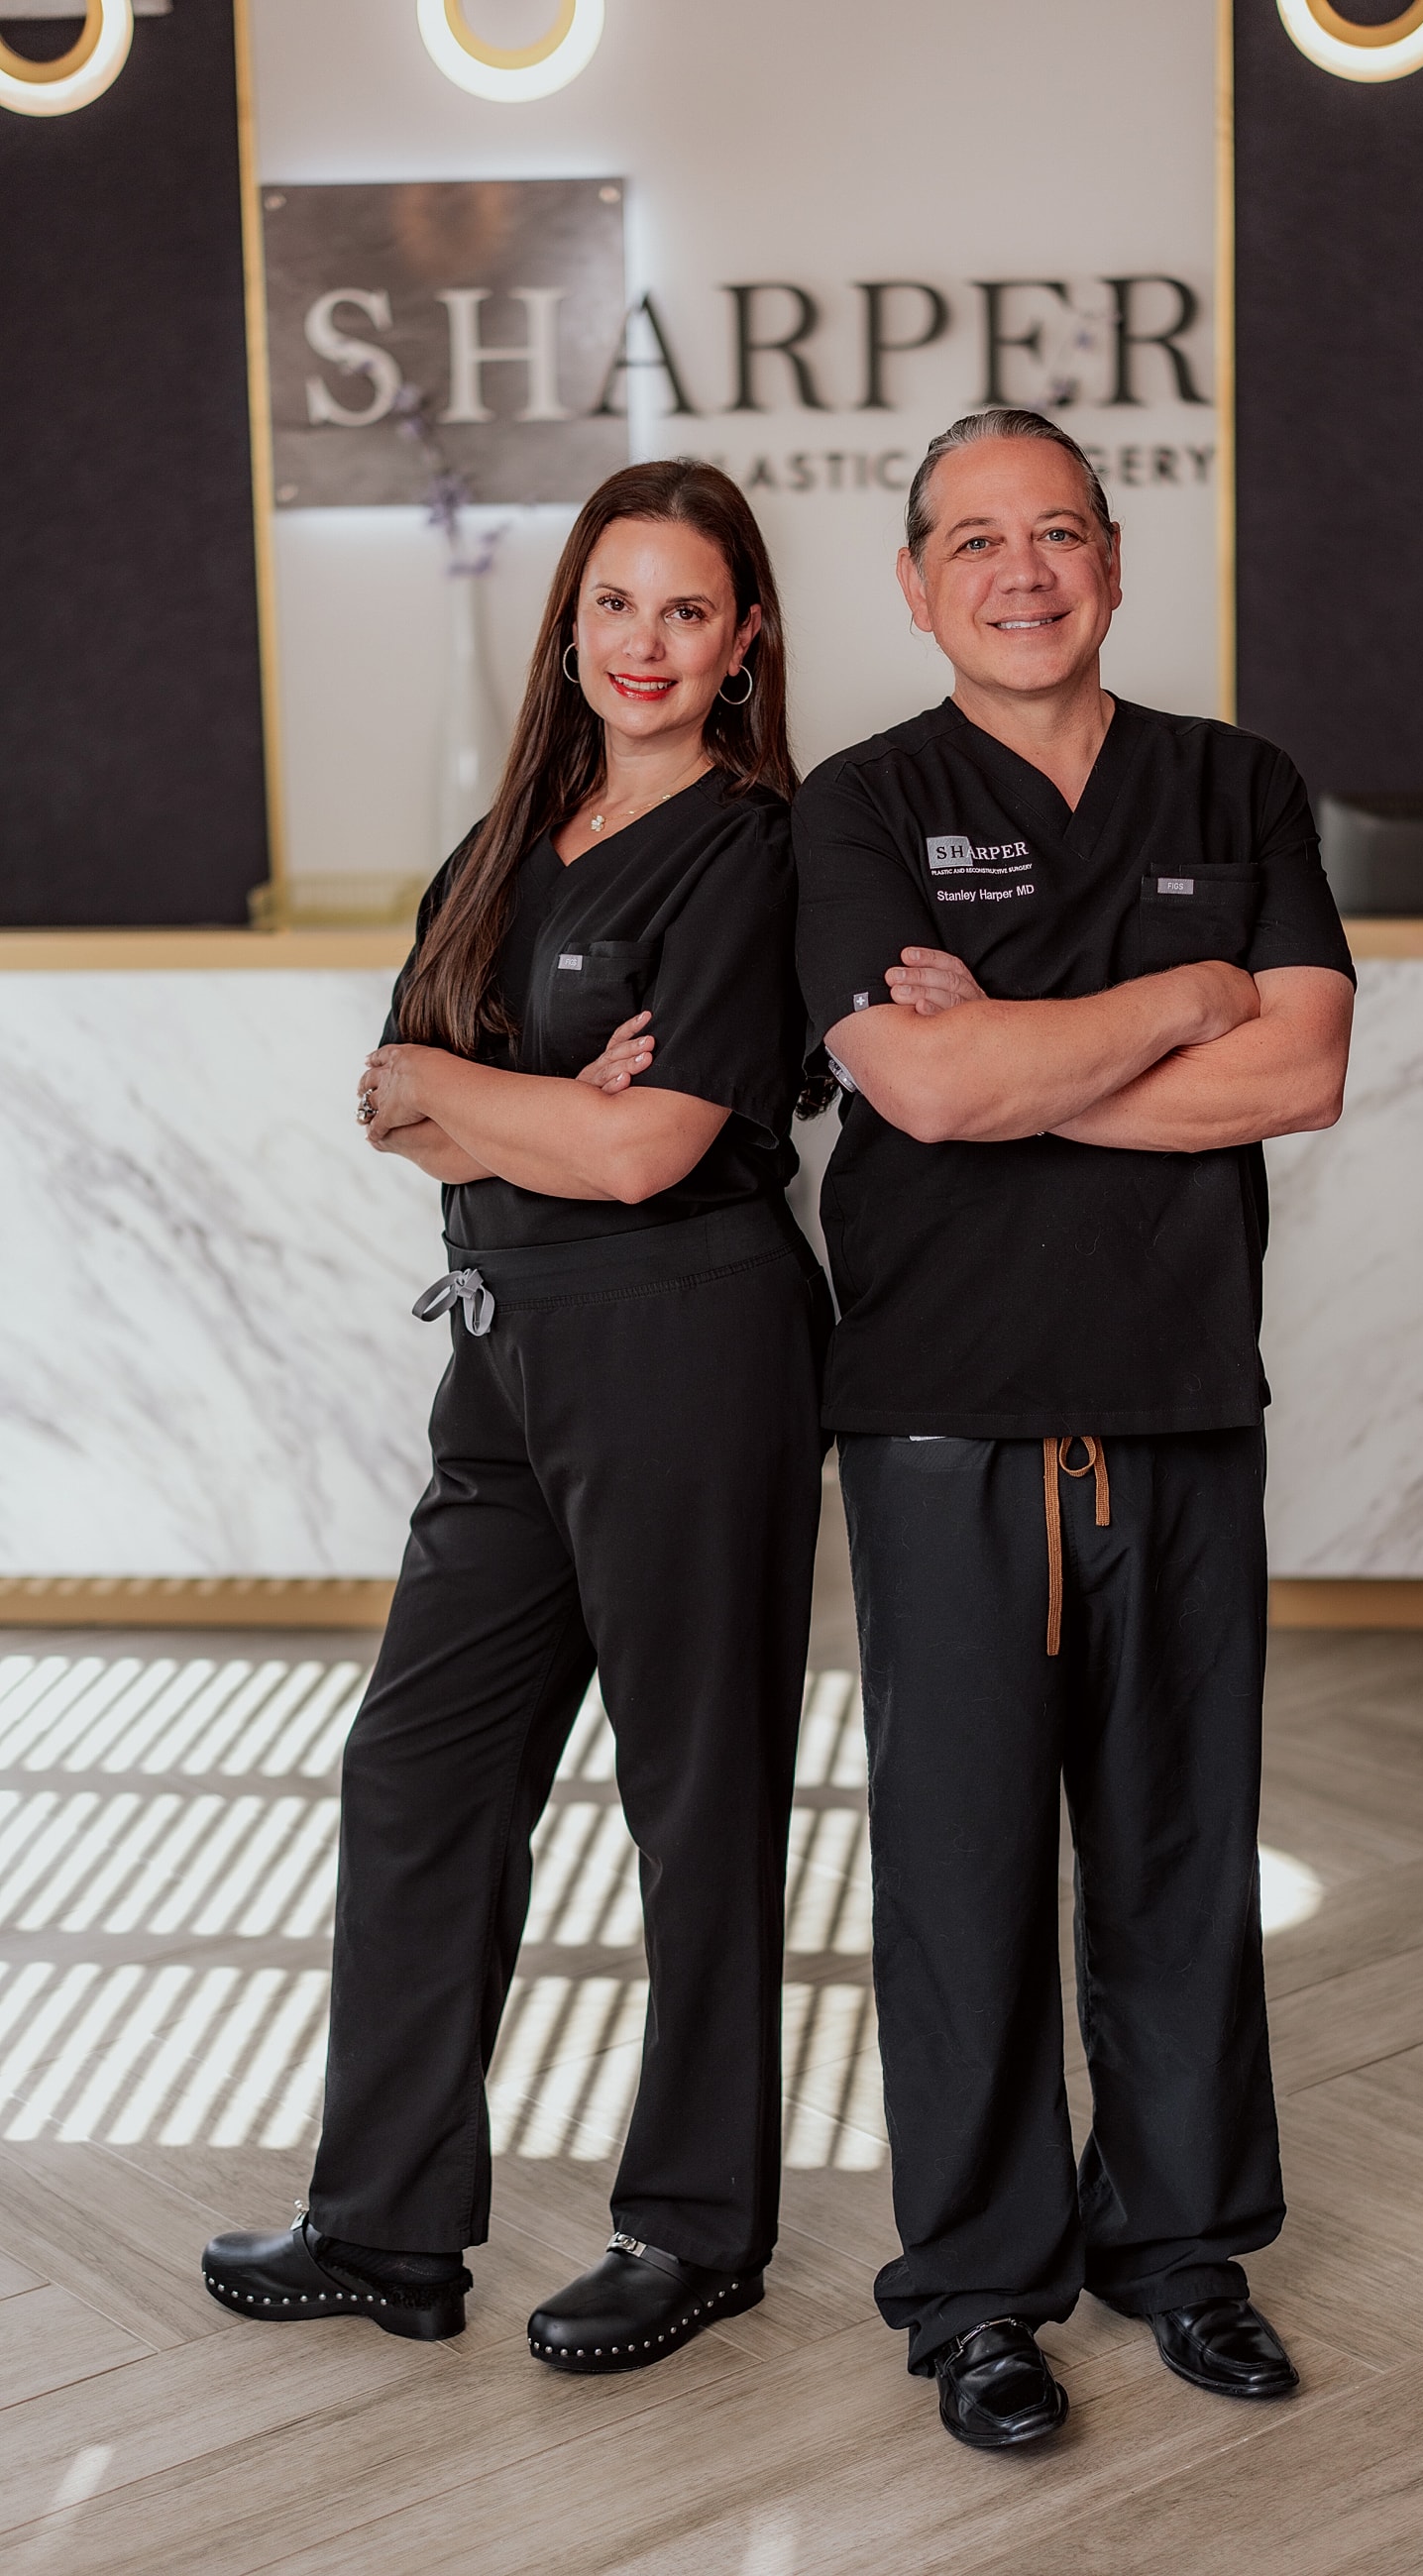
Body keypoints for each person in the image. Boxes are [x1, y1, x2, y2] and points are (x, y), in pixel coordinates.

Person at [201, 460, 829, 2370]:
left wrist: (500, 1101)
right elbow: (384, 1105)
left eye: (687, 611)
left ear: (745, 644)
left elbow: (654, 1153)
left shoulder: (760, 850)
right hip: (500, 1352)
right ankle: (388, 2223)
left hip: (688, 1352)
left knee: (689, 1793)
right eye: (614, 606)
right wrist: (514, 1103)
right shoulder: (502, 843)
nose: (645, 645)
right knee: (416, 1769)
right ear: (570, 625)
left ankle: (696, 2224)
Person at [792, 409, 1355, 2450]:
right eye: (975, 541)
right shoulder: (855, 808)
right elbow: (916, 1096)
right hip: (943, 1425)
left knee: (1182, 1857)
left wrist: (1021, 1048)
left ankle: (1184, 2246)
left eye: (1057, 535)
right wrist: (1182, 993)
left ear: (1113, 562)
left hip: (1185, 1406)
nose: (1021, 571)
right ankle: (975, 2292)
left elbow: (1300, 1075)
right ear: (919, 583)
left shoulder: (1239, 781)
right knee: (957, 1871)